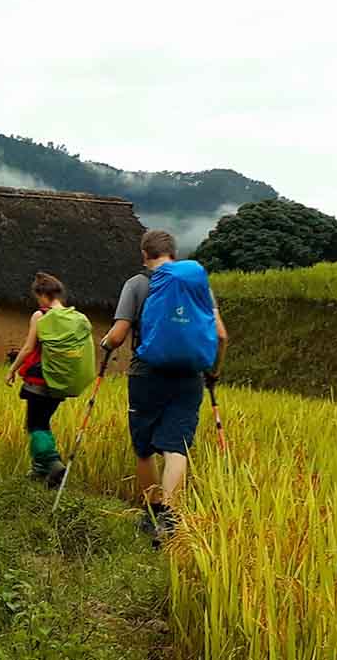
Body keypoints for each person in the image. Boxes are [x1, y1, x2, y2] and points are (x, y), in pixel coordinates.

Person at [101, 229, 228, 542]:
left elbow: (118, 336)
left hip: (147, 374)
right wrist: (213, 371)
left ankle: (152, 512)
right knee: (176, 446)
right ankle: (170, 517)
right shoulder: (198, 285)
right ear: (174, 253)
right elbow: (221, 336)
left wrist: (106, 343)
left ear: (145, 254)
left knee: (144, 448)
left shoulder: (138, 284)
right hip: (190, 375)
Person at [4, 273, 72, 487]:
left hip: (39, 381)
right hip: (59, 383)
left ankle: (53, 465)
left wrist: (12, 370)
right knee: (43, 423)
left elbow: (28, 348)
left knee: (35, 426)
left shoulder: (41, 315)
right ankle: (40, 470)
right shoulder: (73, 317)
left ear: (43, 295)